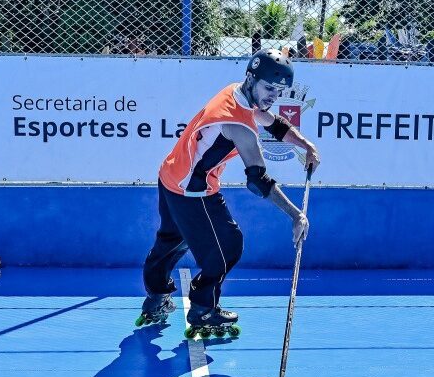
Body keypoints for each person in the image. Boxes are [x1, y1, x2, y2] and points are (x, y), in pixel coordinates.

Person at [135, 49, 321, 335]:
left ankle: (156, 297)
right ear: (251, 79)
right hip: (193, 189)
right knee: (228, 246)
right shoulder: (239, 125)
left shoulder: (237, 92)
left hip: (171, 174)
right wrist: (296, 215)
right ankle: (202, 310)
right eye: (269, 88)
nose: (273, 96)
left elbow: (274, 123)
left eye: (279, 91)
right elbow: (258, 181)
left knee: (172, 239)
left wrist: (305, 145)